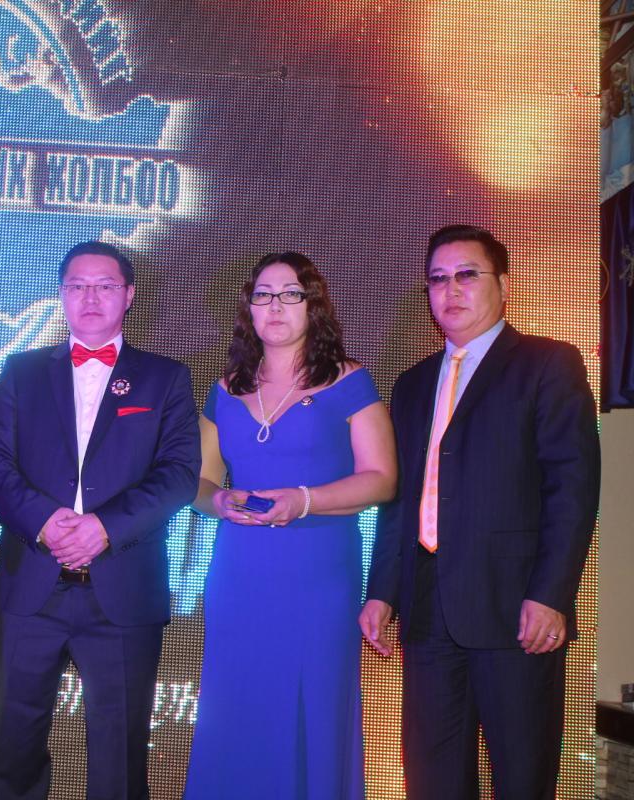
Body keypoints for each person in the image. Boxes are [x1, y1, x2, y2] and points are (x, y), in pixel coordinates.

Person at [359, 225, 600, 799]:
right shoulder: (412, 383)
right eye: (438, 279)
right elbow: (400, 500)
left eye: (467, 274)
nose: (451, 290)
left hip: (515, 608)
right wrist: (382, 592)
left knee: (522, 776)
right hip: (427, 609)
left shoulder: (547, 363)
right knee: (432, 779)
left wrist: (551, 594)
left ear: (504, 285)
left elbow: (572, 488)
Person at [0, 241, 200, 800]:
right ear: (61, 294)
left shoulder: (164, 378)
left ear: (129, 295)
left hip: (122, 588)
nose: (90, 297)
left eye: (104, 286)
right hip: (31, 586)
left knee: (120, 759)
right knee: (13, 750)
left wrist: (104, 528)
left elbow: (178, 474)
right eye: (77, 286)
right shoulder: (22, 371)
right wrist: (44, 521)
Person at [182, 252, 396, 798]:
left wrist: (304, 500)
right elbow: (198, 482)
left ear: (313, 305)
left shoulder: (348, 380)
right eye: (263, 295)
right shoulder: (226, 389)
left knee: (313, 710)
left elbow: (381, 480)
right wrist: (219, 501)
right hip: (240, 573)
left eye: (290, 294)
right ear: (248, 309)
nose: (275, 306)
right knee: (236, 707)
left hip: (318, 575)